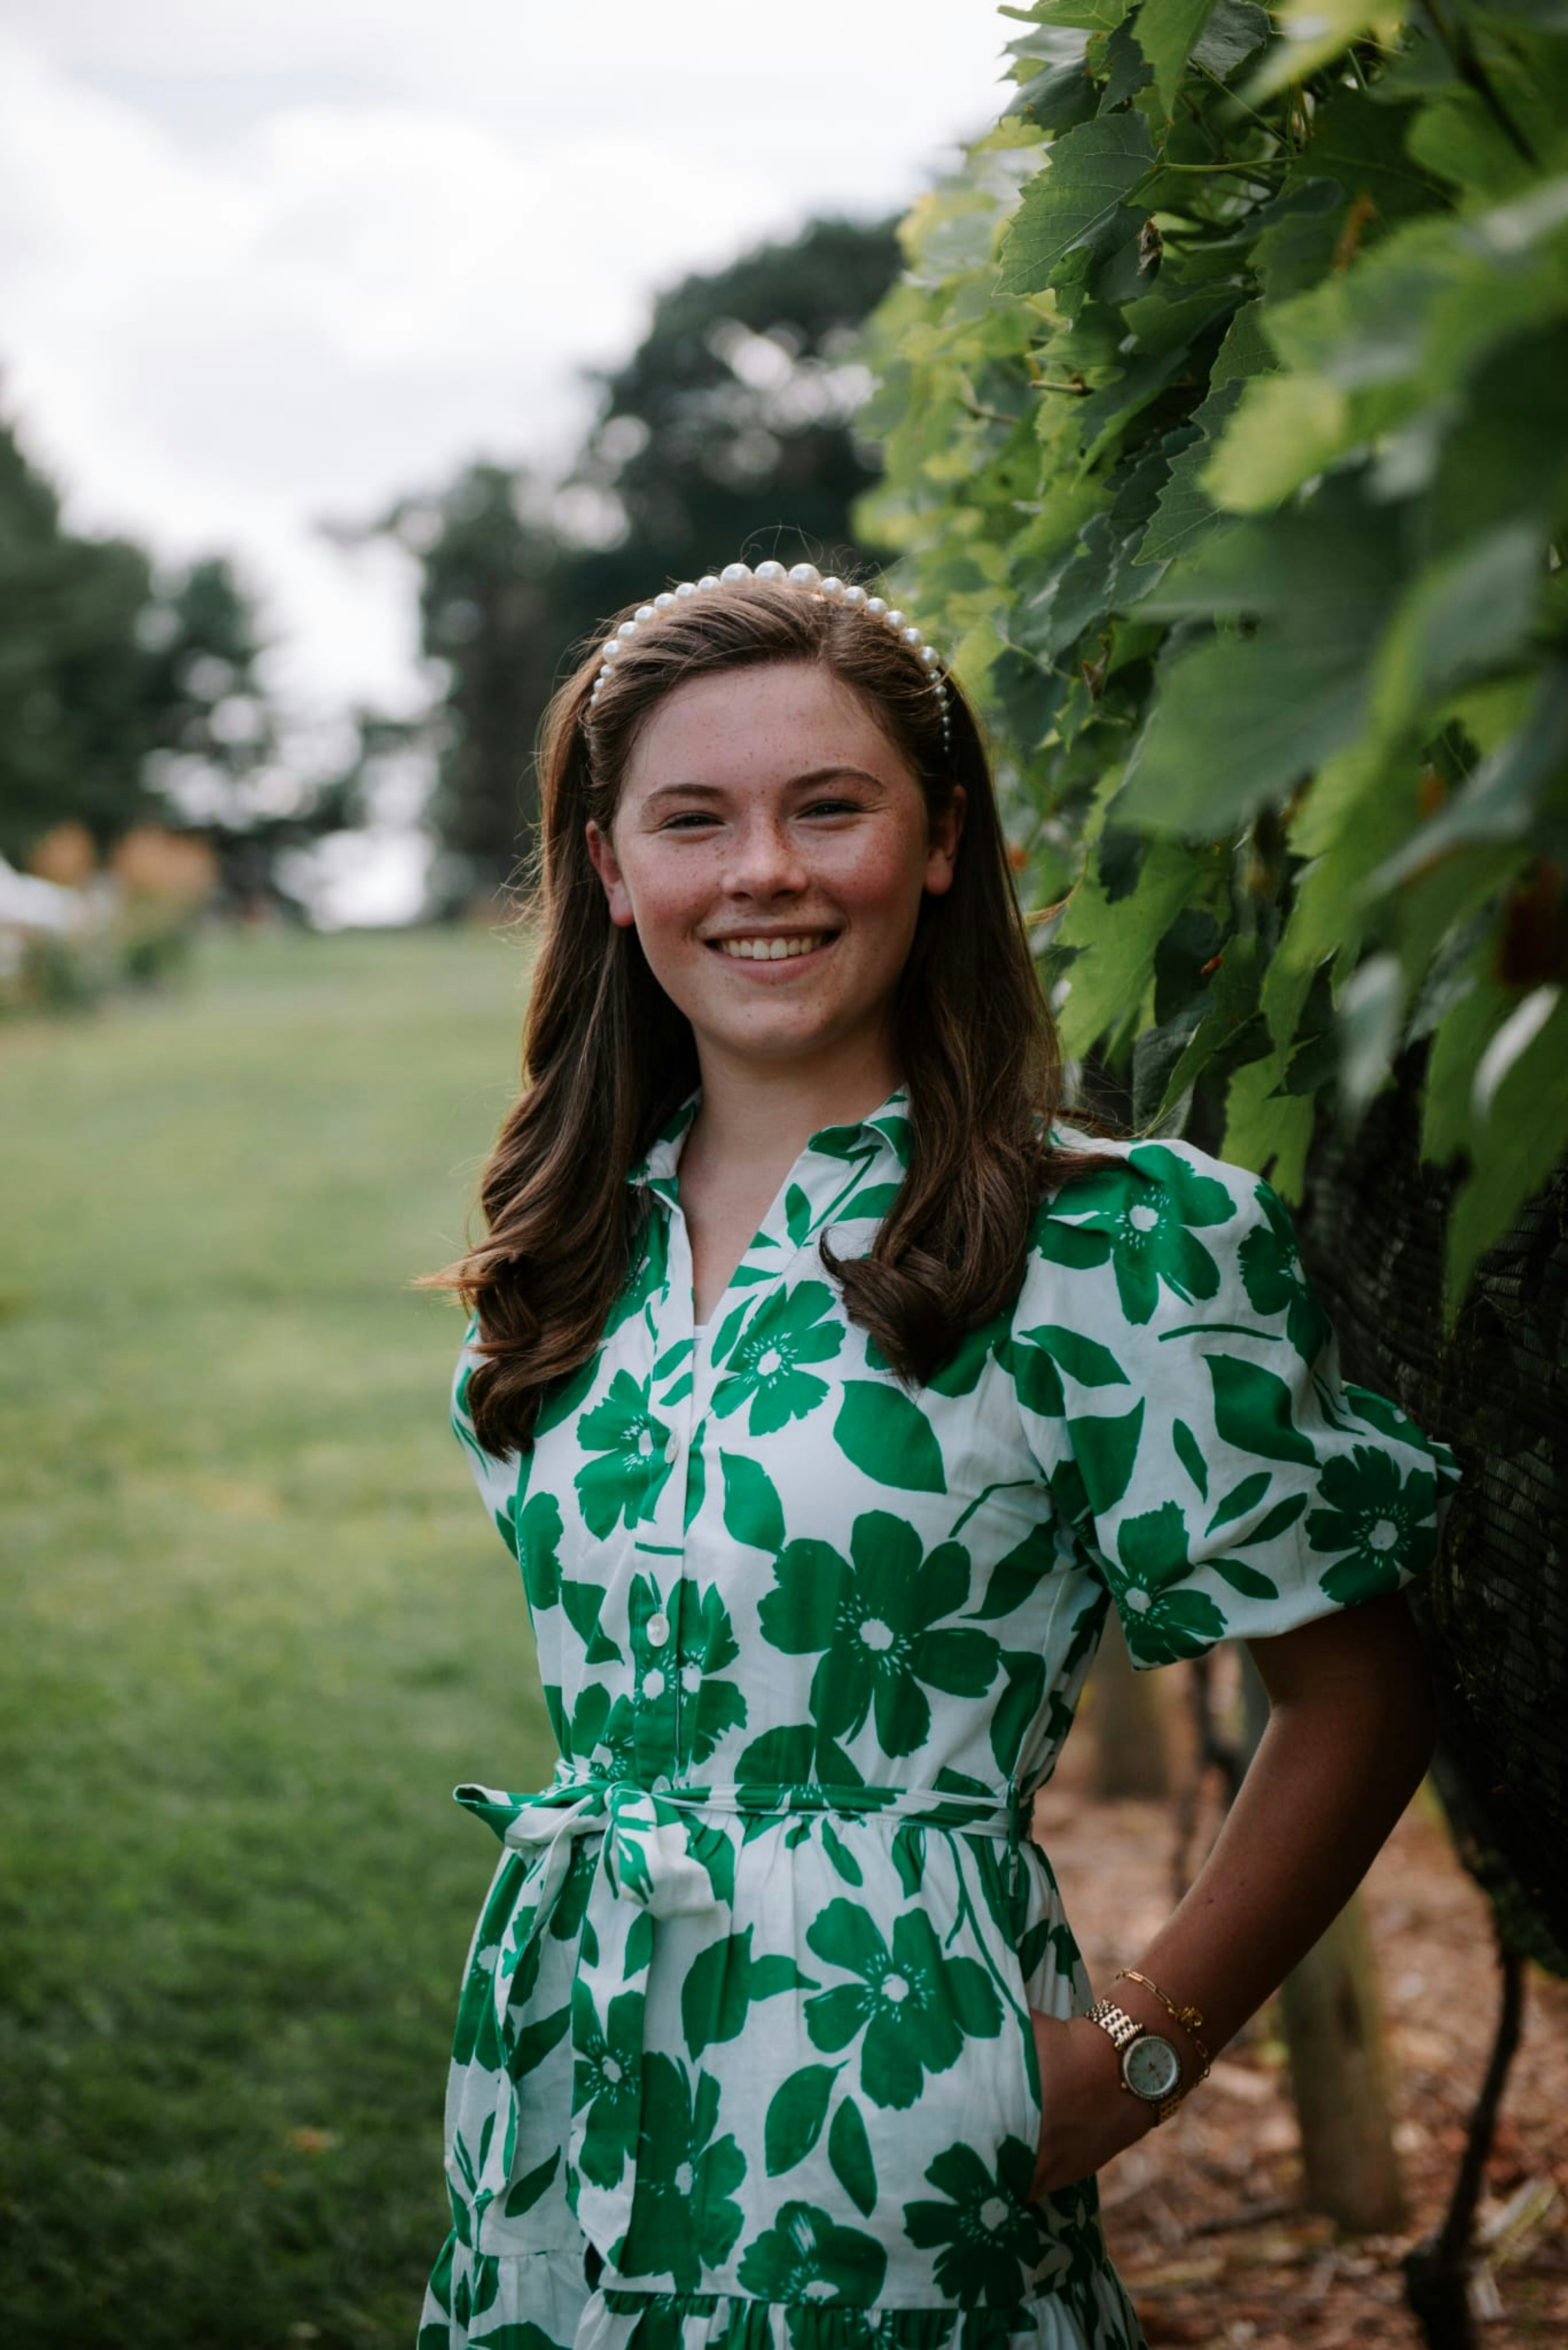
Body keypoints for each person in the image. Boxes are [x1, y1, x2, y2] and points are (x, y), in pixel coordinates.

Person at [418, 561, 1458, 2350]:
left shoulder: (1111, 1246)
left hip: (895, 2091)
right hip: (567, 2093)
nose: (765, 871)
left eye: (831, 808)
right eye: (696, 820)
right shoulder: (578, 1242)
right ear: (610, 869)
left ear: (944, 840)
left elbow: (1356, 1689)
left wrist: (1137, 2052)